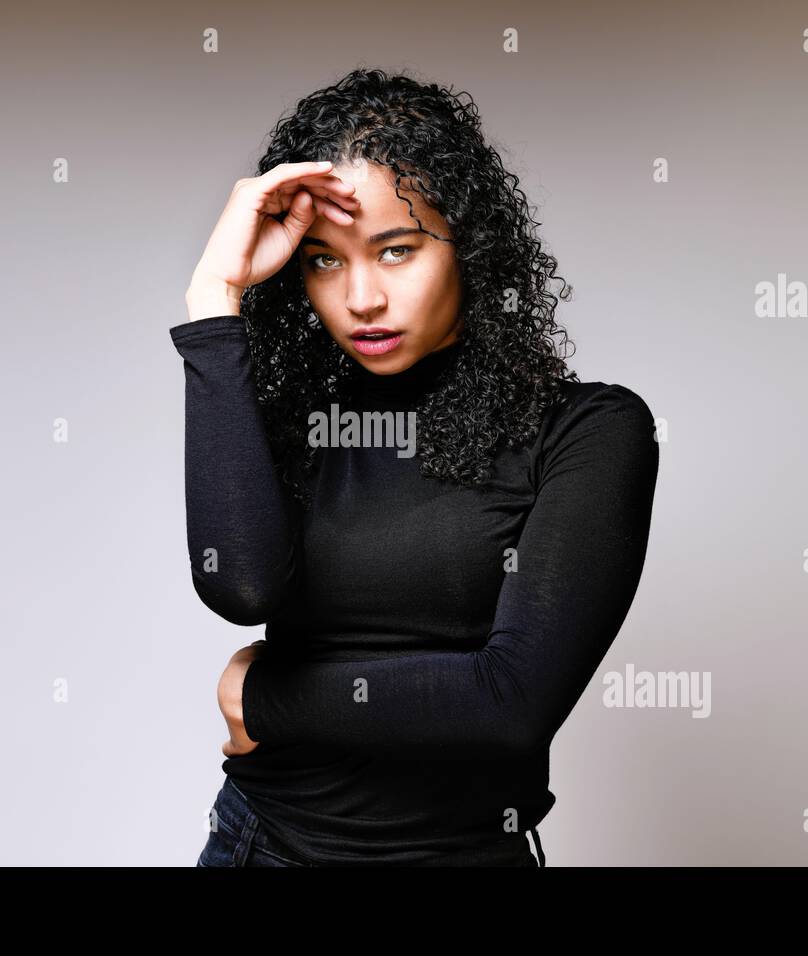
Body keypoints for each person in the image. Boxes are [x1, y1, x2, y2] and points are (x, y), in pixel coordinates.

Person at [172, 68, 659, 866]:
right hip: (264, 847)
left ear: (469, 244)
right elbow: (240, 588)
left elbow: (511, 703)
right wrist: (215, 299)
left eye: (396, 251)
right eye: (325, 261)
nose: (361, 297)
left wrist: (261, 698)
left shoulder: (589, 430)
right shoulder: (298, 416)